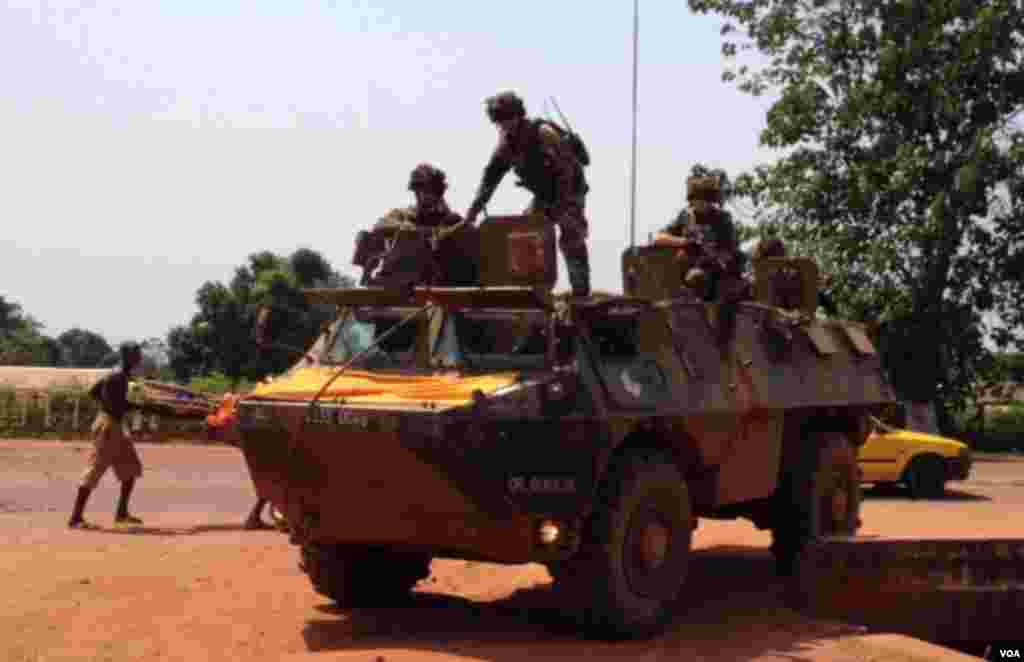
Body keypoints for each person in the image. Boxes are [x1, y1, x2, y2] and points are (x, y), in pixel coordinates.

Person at [463, 91, 592, 297]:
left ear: (518, 115)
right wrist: (472, 212)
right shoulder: (506, 145)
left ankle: (581, 293)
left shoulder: (543, 133)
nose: (505, 125)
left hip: (569, 192)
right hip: (544, 195)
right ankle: (531, 289)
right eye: (500, 121)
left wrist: (560, 208)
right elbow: (490, 179)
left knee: (571, 237)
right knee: (526, 231)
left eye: (508, 119)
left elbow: (566, 170)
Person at [68, 342, 146, 529]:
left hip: (116, 424)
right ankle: (76, 518)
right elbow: (118, 405)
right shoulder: (118, 376)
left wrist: (112, 405)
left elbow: (93, 391)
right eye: (136, 354)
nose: (139, 358)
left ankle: (121, 513)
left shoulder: (121, 374)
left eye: (138, 354)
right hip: (110, 427)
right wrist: (141, 406)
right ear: (127, 356)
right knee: (94, 470)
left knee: (130, 469)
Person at [367, 163, 478, 287]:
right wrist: (413, 230)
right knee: (407, 236)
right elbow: (380, 226)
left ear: (439, 191)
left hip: (443, 284)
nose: (424, 194)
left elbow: (472, 239)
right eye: (420, 189)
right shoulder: (404, 215)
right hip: (403, 284)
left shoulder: (452, 220)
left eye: (431, 189)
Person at [654, 173, 746, 302]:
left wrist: (709, 258)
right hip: (687, 272)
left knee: (700, 278)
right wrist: (685, 242)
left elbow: (729, 251)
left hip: (717, 272)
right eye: (697, 198)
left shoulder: (722, 219)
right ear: (691, 199)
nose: (701, 203)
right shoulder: (686, 216)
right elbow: (658, 238)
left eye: (705, 199)